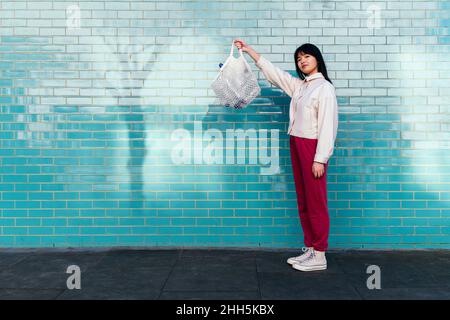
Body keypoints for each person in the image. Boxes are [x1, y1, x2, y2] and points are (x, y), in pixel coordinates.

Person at [234, 39, 338, 272]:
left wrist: (320, 158)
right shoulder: (301, 86)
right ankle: (310, 248)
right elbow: (275, 74)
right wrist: (250, 51)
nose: (302, 61)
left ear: (317, 59)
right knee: (304, 200)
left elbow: (328, 126)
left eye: (306, 56)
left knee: (316, 202)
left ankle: (320, 254)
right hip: (296, 143)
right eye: (299, 58)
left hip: (312, 148)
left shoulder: (324, 88)